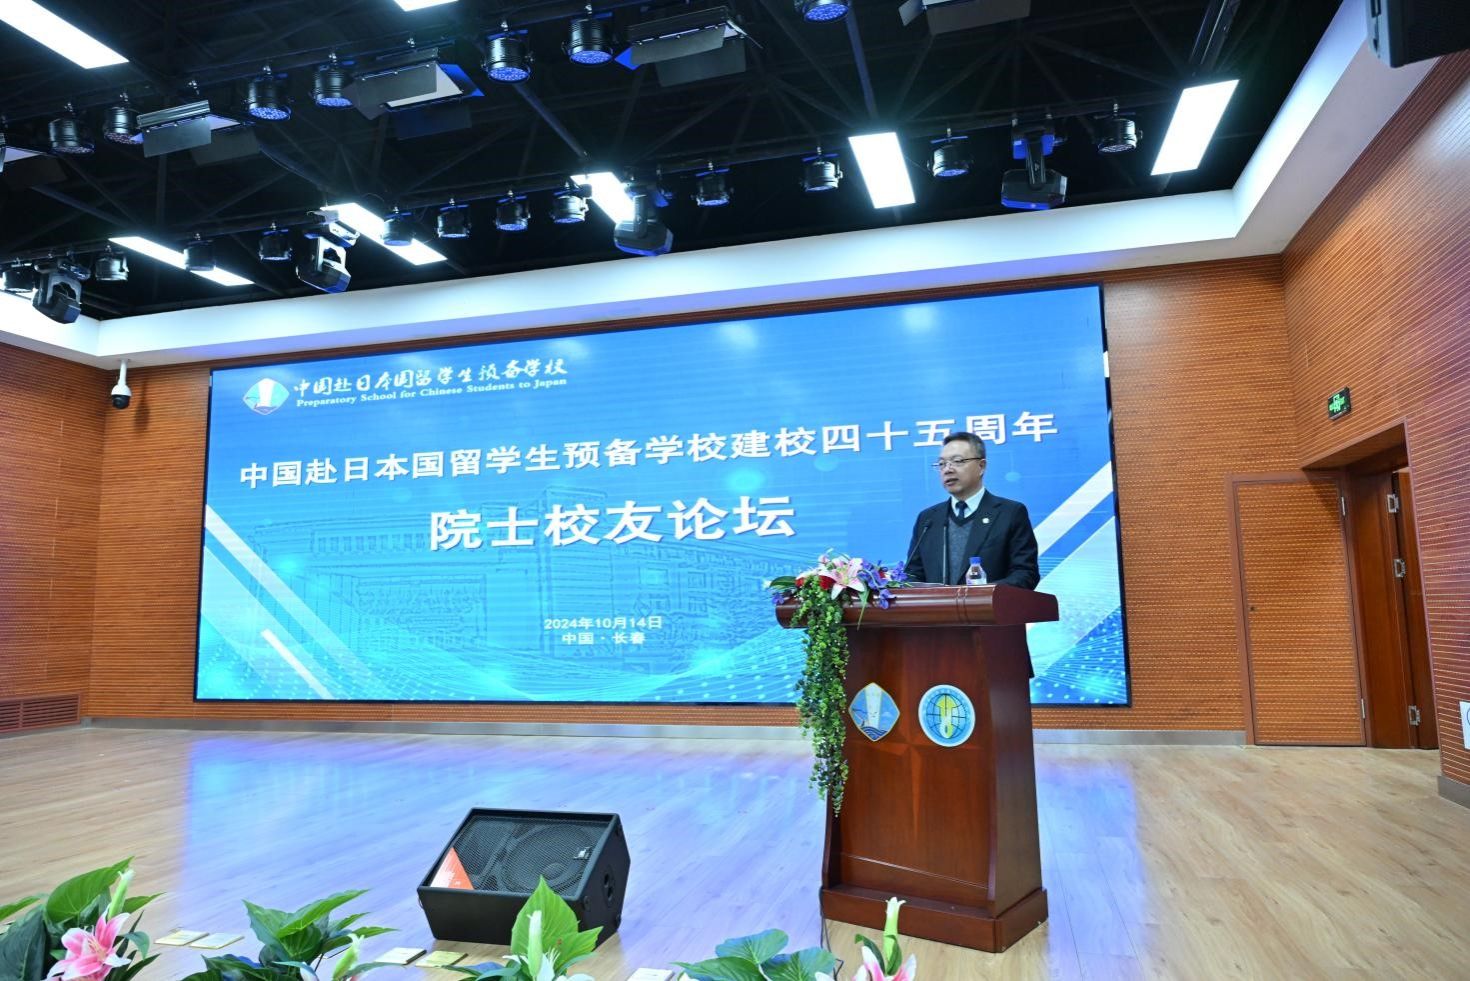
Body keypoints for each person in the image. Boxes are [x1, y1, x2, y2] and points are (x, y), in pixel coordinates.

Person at [904, 432, 1040, 588]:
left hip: (990, 604)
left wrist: (981, 594)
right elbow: (912, 576)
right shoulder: (928, 519)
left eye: (957, 461)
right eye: (942, 464)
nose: (947, 470)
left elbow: (1025, 573)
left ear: (981, 466)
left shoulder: (1010, 513)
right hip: (937, 605)